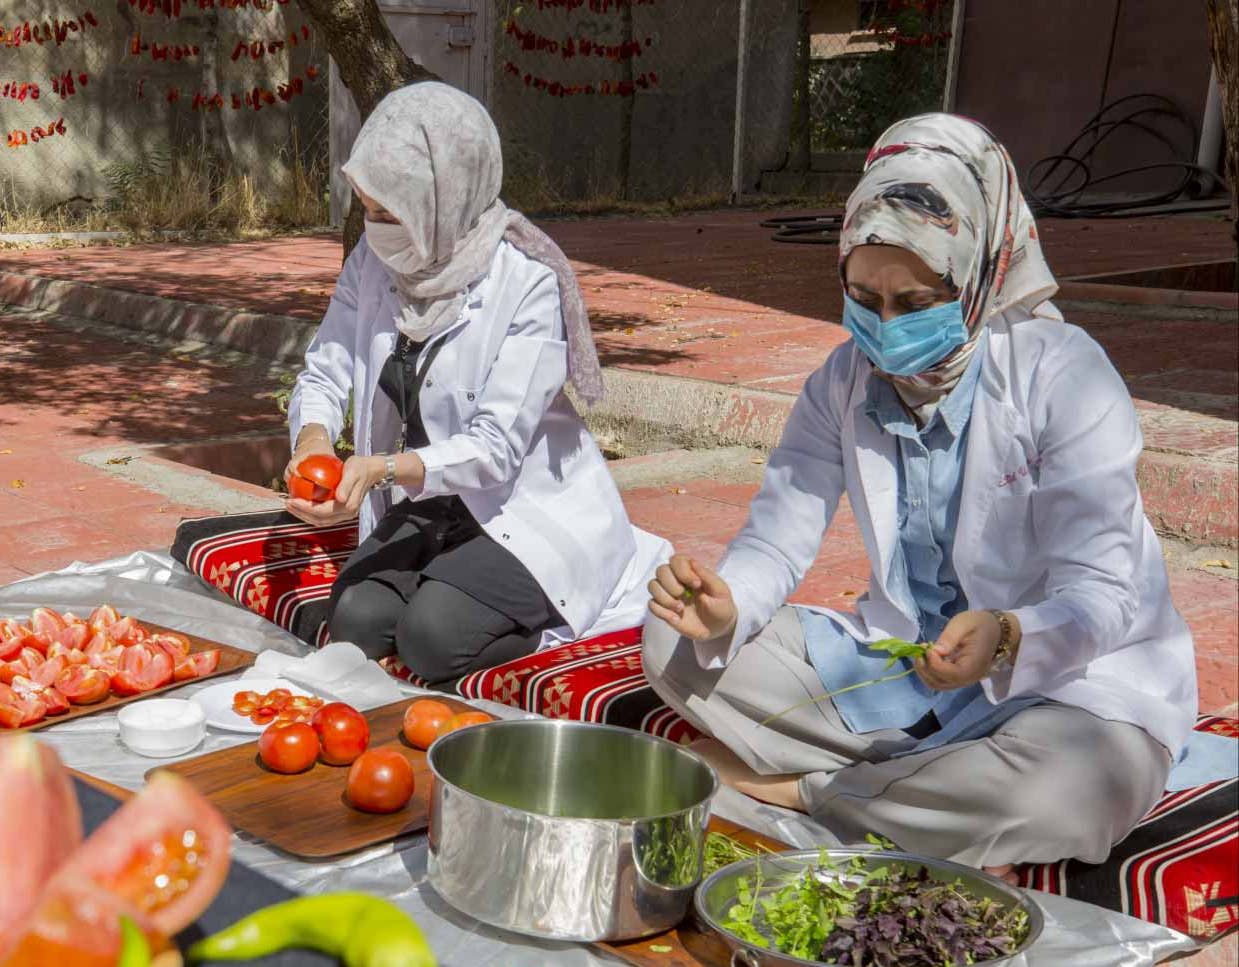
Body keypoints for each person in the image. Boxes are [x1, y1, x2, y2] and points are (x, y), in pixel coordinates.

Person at [642, 114, 1197, 874]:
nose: (883, 326)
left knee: (1061, 795)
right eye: (862, 296)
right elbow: (779, 532)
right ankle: (916, 790)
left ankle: (808, 789)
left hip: (1065, 683)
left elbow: (1104, 596)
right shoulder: (841, 382)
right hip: (907, 671)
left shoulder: (1064, 376)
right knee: (671, 644)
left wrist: (1007, 635)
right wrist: (728, 606)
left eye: (914, 301)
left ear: (976, 279)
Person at [283, 82, 669, 686]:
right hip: (429, 502)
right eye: (367, 208)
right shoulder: (373, 263)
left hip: (517, 503)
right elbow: (326, 366)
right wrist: (312, 440)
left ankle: (544, 618)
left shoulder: (527, 281)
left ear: (446, 198)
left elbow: (496, 448)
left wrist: (382, 469)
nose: (375, 228)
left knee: (432, 640)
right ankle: (445, 582)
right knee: (356, 620)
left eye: (390, 213)